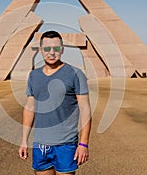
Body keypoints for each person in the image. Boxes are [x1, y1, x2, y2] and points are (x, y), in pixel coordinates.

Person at [18, 30, 92, 175]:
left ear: (62, 50)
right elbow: (29, 107)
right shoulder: (34, 75)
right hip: (40, 144)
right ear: (40, 50)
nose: (51, 53)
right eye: (47, 48)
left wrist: (83, 144)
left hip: (66, 144)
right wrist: (24, 140)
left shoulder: (75, 74)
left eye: (56, 48)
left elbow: (85, 110)